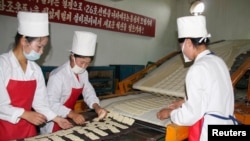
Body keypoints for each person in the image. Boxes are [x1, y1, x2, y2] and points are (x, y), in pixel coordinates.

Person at [156, 15, 238, 141]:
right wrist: (185, 102)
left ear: (188, 42)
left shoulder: (197, 69)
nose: (181, 50)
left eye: (181, 46)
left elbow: (190, 116)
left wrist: (169, 113)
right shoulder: (219, 62)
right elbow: (214, 94)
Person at [0, 11, 73, 141]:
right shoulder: (3, 65)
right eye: (39, 46)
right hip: (5, 130)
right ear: (24, 40)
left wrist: (57, 119)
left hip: (29, 130)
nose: (42, 51)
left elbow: (40, 103)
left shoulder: (35, 69)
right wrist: (24, 114)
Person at [40, 31, 108, 134]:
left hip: (69, 119)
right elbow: (51, 103)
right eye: (82, 62)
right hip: (54, 121)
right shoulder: (58, 75)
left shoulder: (83, 73)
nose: (84, 67)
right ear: (72, 57)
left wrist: (97, 107)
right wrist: (72, 114)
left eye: (87, 64)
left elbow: (88, 92)